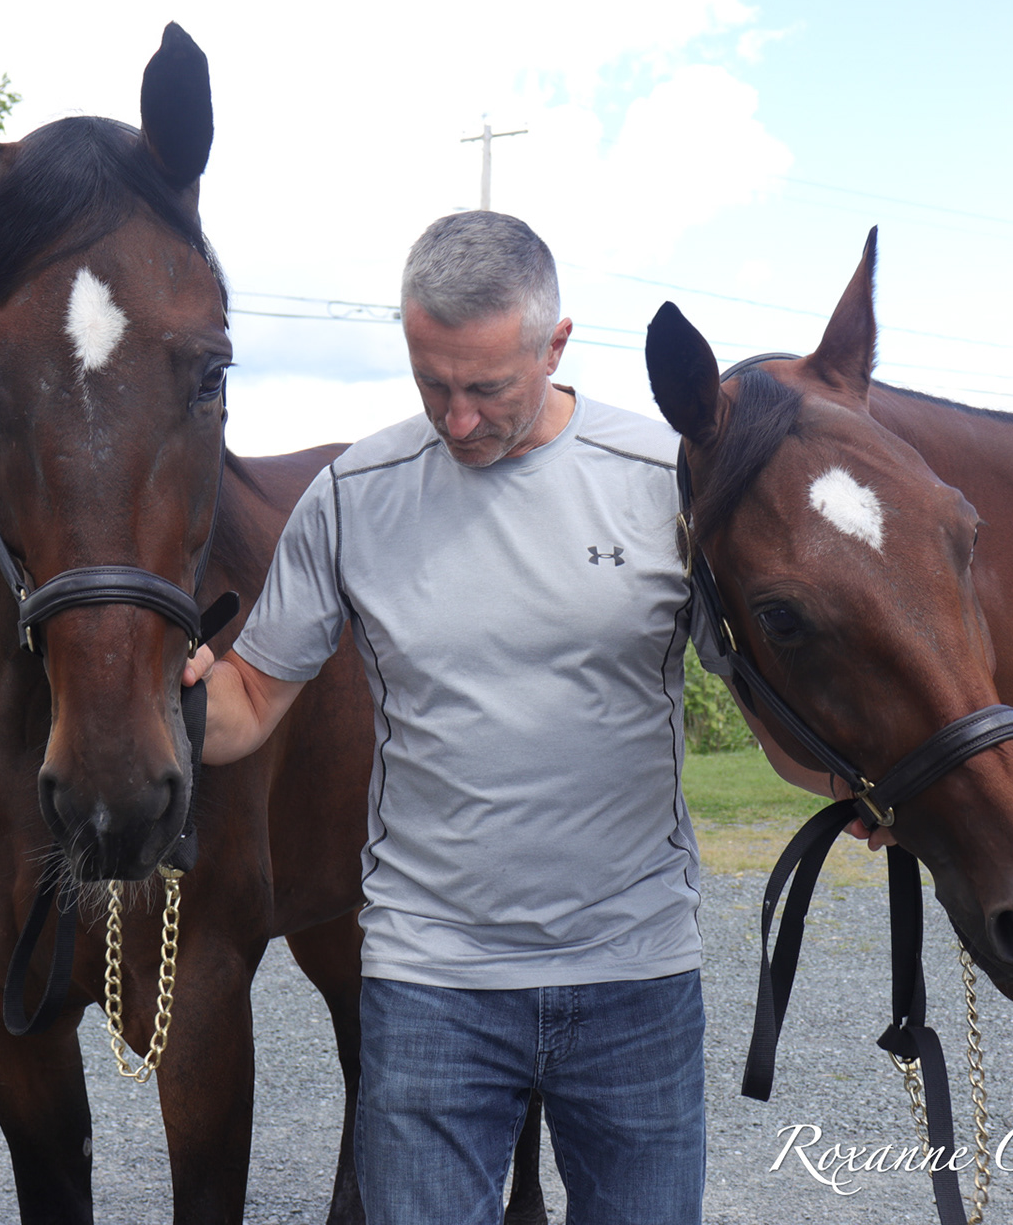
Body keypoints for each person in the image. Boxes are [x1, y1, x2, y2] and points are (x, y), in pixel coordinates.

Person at [184, 210, 709, 1224]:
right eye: (433, 385)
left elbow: (781, 687)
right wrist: (157, 690)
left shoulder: (668, 482)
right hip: (432, 985)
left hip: (635, 977)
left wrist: (863, 784)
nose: (457, 421)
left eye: (487, 389)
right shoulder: (355, 496)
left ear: (555, 347)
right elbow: (246, 702)